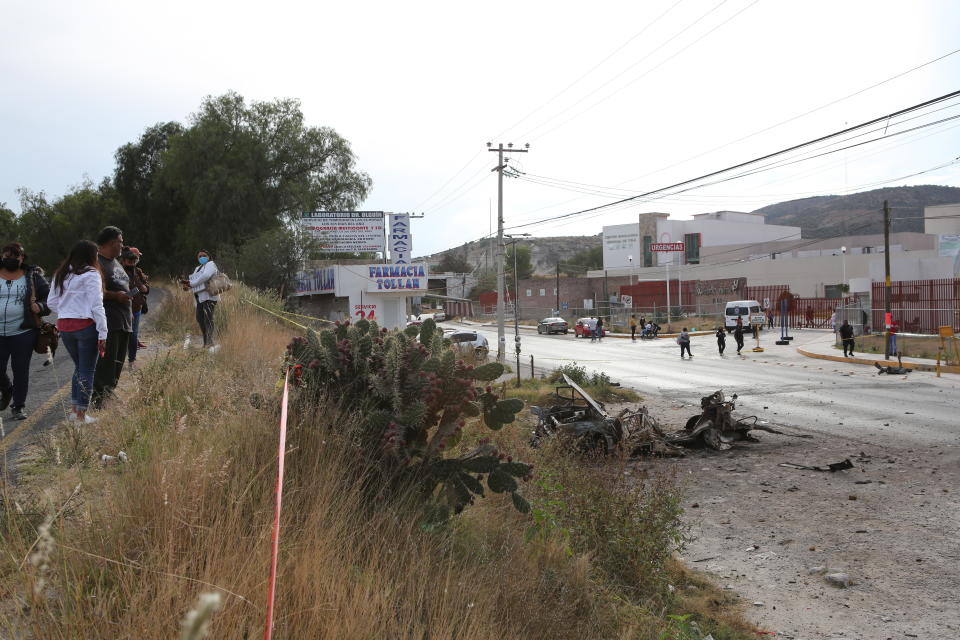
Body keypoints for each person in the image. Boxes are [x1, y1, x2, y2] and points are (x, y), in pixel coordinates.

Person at [47, 240, 107, 423]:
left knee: (79, 368)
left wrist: (67, 310)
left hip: (65, 326)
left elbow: (51, 303)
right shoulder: (91, 274)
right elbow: (97, 305)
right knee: (87, 370)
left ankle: (74, 411)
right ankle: (81, 415)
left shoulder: (62, 274)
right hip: (86, 326)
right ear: (90, 256)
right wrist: (103, 332)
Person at [0, 243, 51, 420]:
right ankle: (7, 389)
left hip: (23, 332)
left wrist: (41, 306)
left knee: (20, 369)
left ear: (22, 258)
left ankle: (18, 406)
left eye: (15, 256)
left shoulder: (32, 276)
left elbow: (50, 299)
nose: (10, 259)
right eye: (6, 255)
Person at [92, 226, 133, 409]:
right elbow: (97, 291)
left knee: (117, 364)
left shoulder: (116, 262)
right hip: (109, 322)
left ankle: (108, 397)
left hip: (124, 320)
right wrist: (116, 296)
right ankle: (99, 401)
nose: (122, 245)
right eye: (120, 242)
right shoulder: (97, 263)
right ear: (111, 243)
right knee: (106, 365)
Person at [182, 249, 221, 351]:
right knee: (200, 318)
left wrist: (192, 284)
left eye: (204, 255)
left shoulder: (211, 264)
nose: (202, 257)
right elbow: (195, 280)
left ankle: (209, 343)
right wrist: (188, 285)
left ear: (208, 257)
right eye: (199, 256)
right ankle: (206, 342)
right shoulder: (197, 268)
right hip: (200, 297)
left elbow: (205, 276)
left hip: (210, 296)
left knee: (208, 319)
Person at [121, 248, 149, 368]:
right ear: (123, 260)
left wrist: (145, 288)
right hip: (121, 310)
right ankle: (118, 362)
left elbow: (146, 287)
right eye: (130, 261)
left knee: (133, 336)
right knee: (122, 337)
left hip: (136, 309)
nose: (132, 263)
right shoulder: (118, 272)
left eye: (134, 260)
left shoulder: (137, 271)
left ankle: (132, 361)